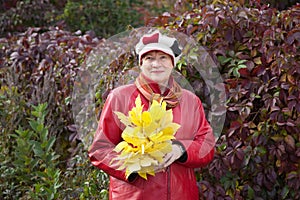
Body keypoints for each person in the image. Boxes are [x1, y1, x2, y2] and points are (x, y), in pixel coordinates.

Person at [88, 30, 216, 200]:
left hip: (182, 195)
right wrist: (132, 167)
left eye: (163, 57)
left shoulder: (190, 101)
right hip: (134, 196)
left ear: (173, 63)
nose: (156, 64)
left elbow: (206, 144)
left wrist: (181, 149)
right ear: (141, 63)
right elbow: (100, 149)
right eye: (149, 58)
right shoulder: (120, 97)